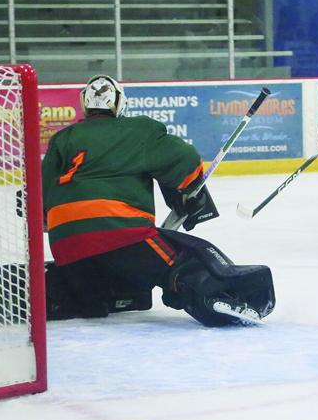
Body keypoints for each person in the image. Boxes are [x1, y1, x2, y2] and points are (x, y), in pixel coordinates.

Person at [37, 75, 275, 326]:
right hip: (120, 233)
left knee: (94, 292)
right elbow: (184, 159)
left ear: (85, 104)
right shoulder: (138, 130)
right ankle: (213, 297)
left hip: (66, 243)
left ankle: (68, 296)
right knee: (185, 258)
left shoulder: (62, 139)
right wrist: (189, 191)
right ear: (119, 104)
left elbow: (40, 196)